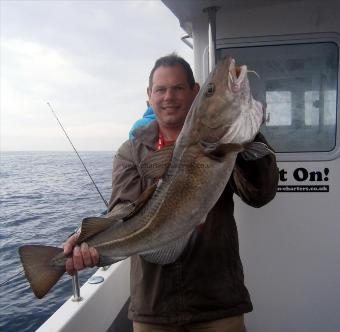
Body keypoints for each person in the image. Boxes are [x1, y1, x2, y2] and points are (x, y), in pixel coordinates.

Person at [64, 54, 279, 332]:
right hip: (153, 306)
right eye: (161, 89)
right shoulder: (131, 151)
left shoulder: (226, 143)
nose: (169, 97)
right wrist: (88, 239)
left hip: (218, 300)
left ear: (195, 92)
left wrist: (249, 139)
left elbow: (260, 194)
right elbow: (122, 208)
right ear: (149, 96)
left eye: (178, 88)